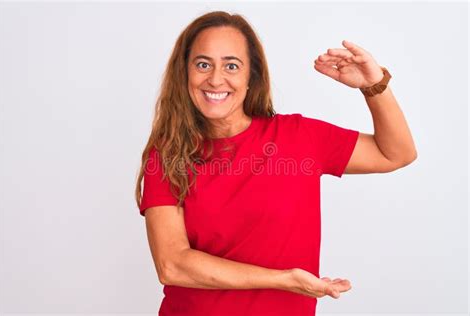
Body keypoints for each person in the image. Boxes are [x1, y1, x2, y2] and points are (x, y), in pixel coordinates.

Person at [134, 10, 417, 316]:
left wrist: (374, 85)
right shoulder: (168, 154)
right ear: (185, 72)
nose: (215, 79)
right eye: (203, 64)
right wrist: (282, 280)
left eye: (231, 65)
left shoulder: (299, 138)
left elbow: (396, 153)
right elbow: (172, 265)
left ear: (250, 76)